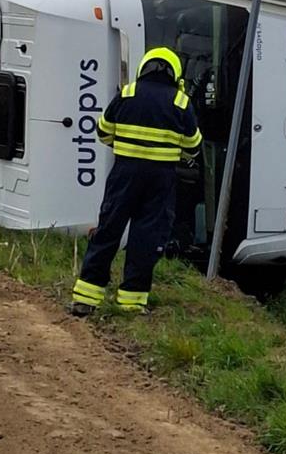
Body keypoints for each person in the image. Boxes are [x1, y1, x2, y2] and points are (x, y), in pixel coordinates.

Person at [71, 47, 202, 316]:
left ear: (145, 67)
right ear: (175, 73)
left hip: (124, 174)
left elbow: (103, 132)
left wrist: (126, 146)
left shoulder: (128, 93)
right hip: (161, 179)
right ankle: (132, 302)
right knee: (146, 237)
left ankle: (86, 298)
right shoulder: (180, 102)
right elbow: (193, 146)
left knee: (108, 230)